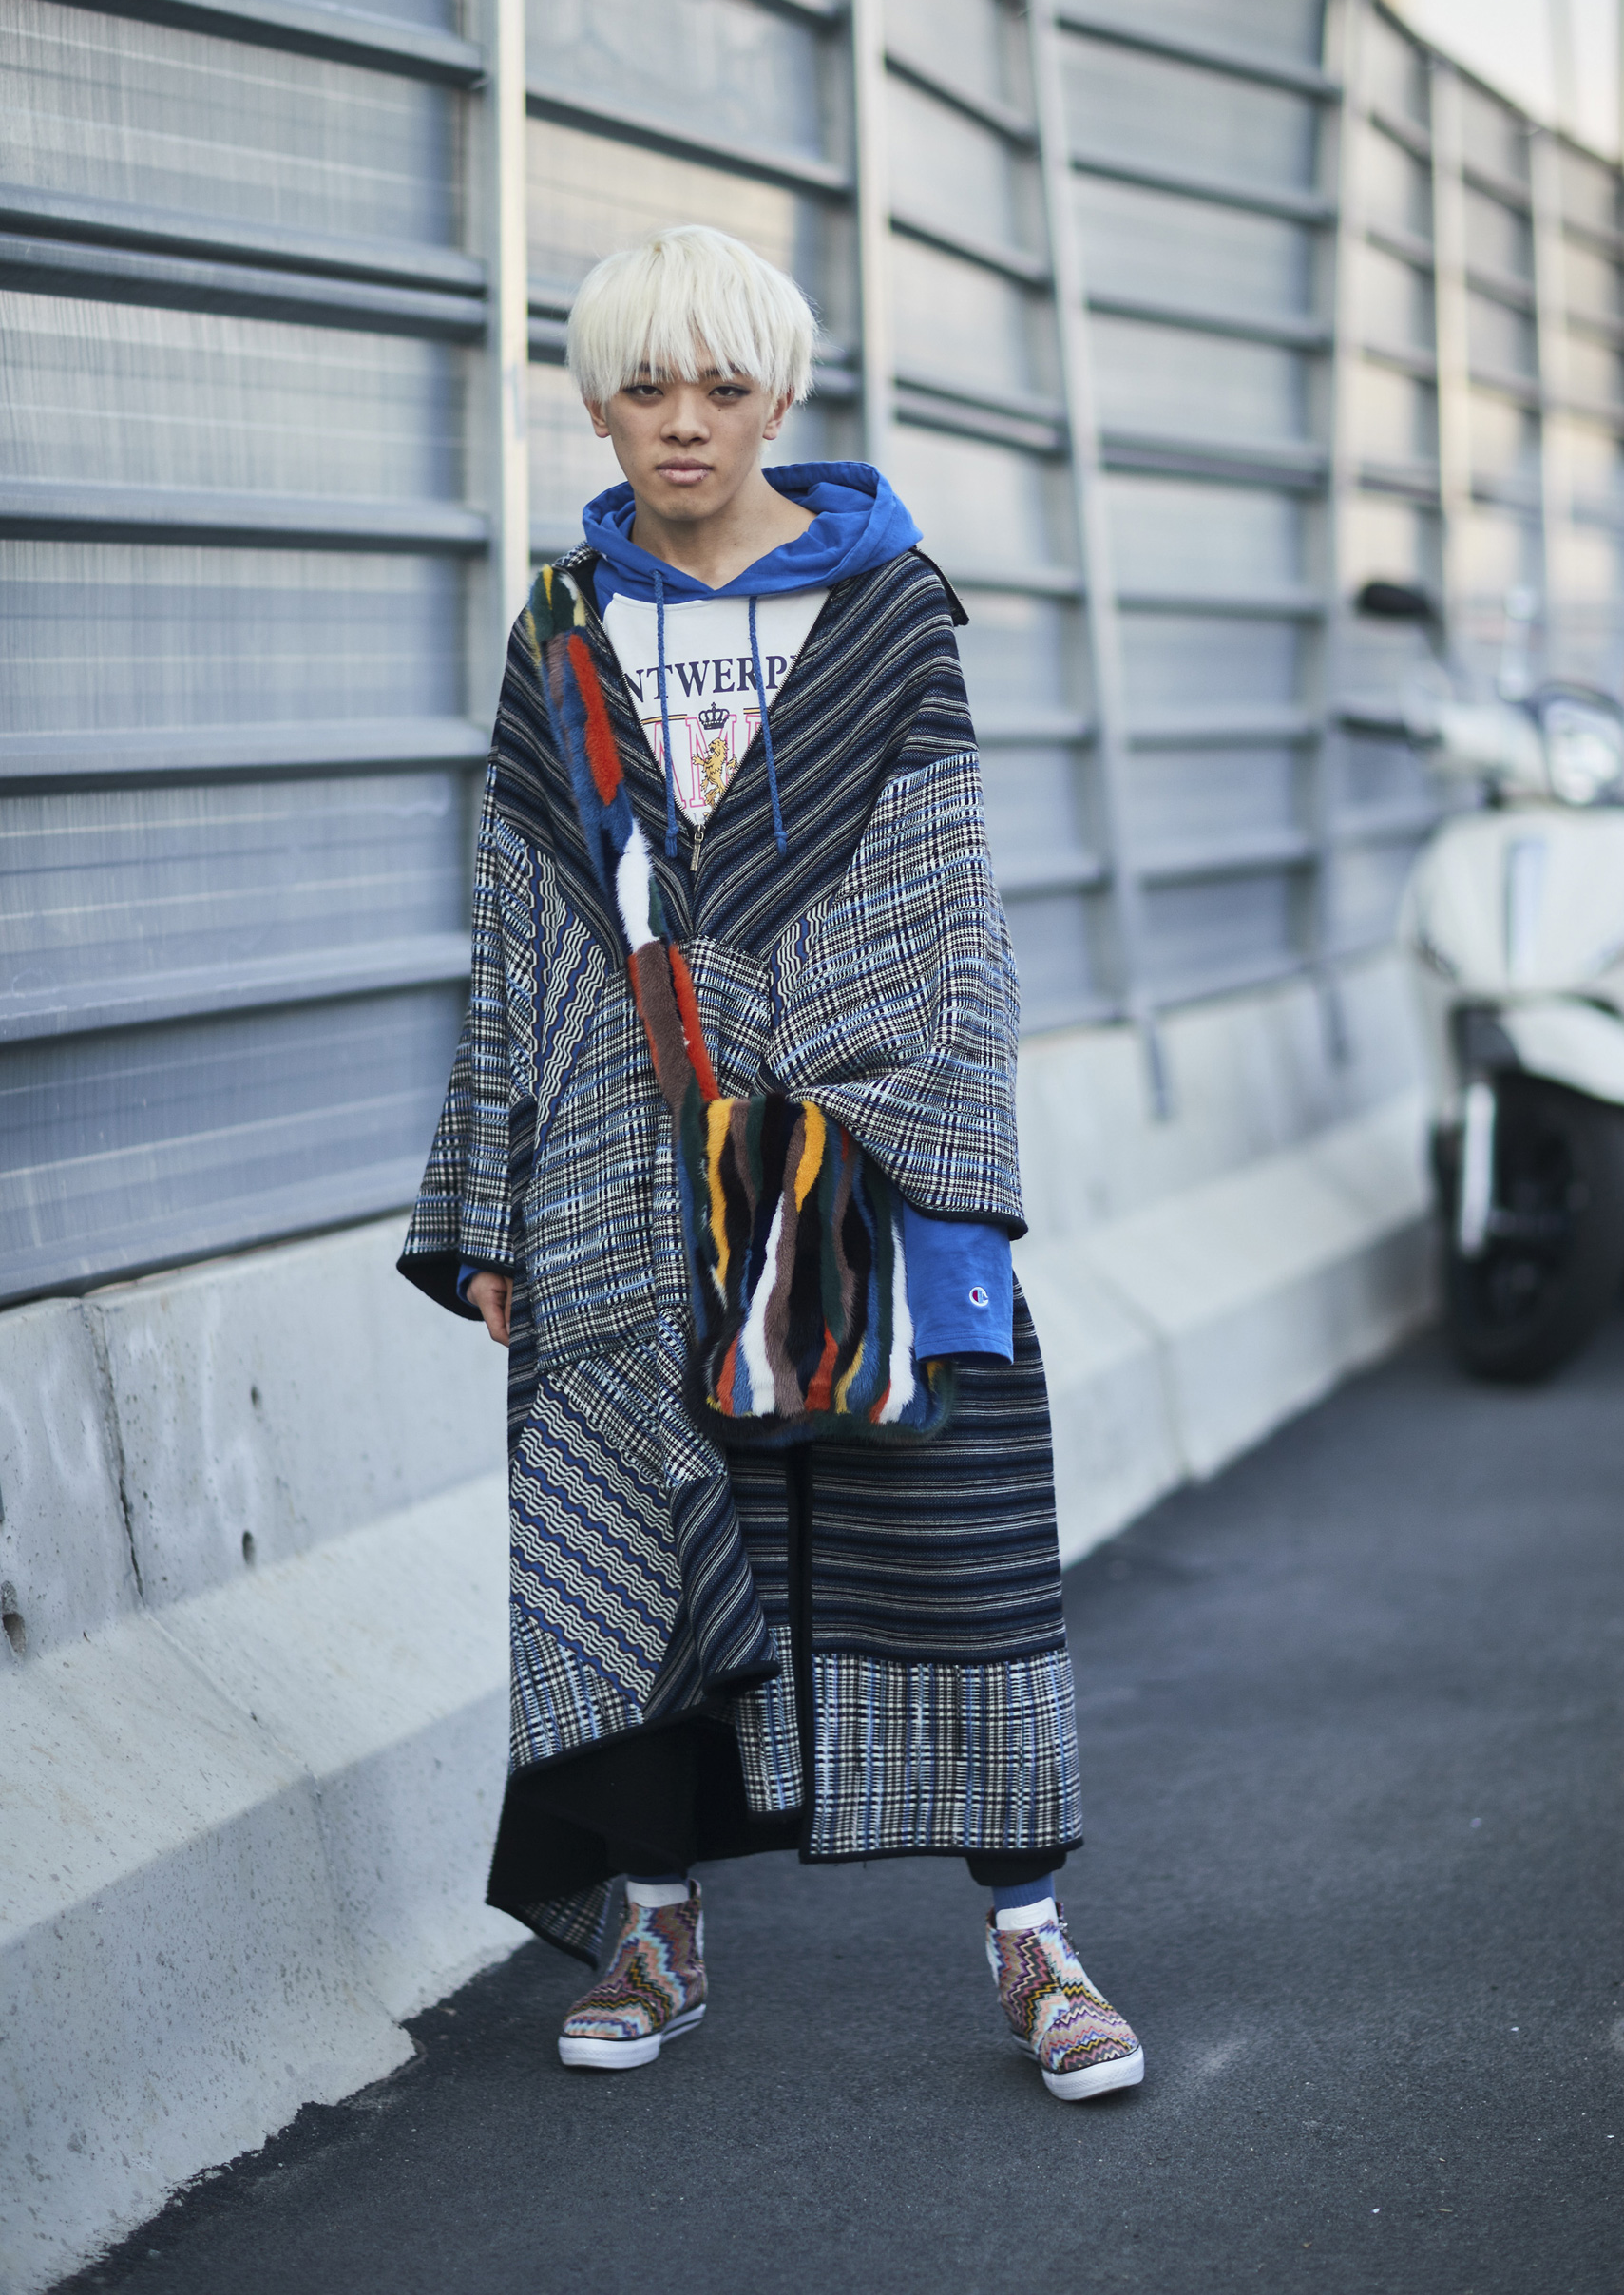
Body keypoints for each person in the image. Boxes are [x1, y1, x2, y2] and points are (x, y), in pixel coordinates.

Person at [400, 224, 1142, 2101]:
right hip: (619, 1161)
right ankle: (657, 1926)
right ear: (596, 403)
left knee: (952, 1531)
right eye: (645, 386)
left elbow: (944, 910)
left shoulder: (889, 615)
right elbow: (519, 936)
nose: (684, 422)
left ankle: (1035, 1939)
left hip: (868, 1153)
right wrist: (493, 1214)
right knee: (635, 1528)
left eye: (723, 387)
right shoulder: (561, 637)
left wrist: (897, 1145)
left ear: (783, 396)